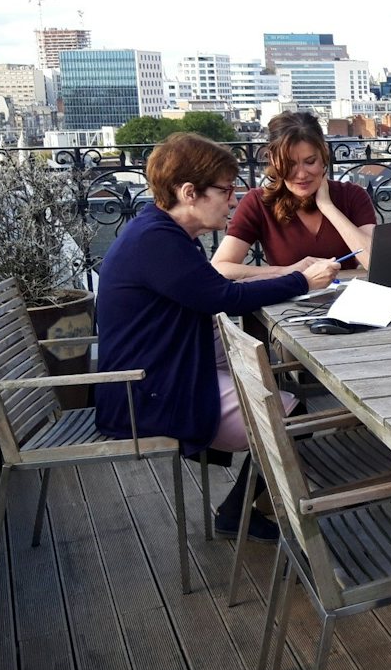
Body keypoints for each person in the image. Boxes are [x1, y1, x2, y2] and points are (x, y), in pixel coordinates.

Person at [94, 132, 339, 538]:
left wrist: (290, 273)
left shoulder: (158, 232)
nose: (234, 199)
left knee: (281, 395)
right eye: (226, 190)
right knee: (290, 418)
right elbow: (223, 296)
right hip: (149, 393)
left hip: (166, 372)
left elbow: (213, 289)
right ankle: (243, 516)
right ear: (189, 192)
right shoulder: (157, 242)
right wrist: (300, 280)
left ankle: (240, 511)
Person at [211, 112, 375, 278]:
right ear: (274, 160)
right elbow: (220, 267)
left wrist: (328, 207)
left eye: (310, 162)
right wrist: (287, 272)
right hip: (287, 302)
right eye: (289, 165)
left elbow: (375, 262)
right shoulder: (258, 202)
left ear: (324, 155)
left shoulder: (353, 195)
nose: (302, 174)